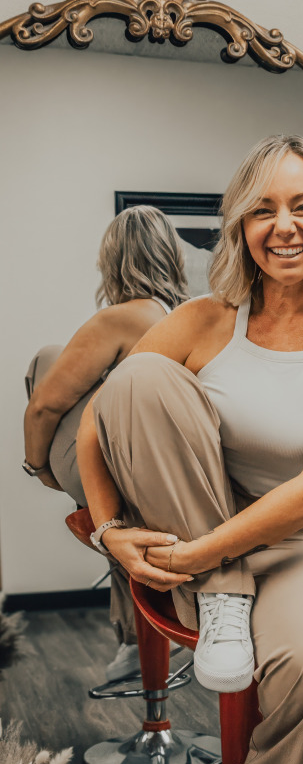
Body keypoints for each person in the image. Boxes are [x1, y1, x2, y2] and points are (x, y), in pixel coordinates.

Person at [76, 134, 303, 764]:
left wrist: (200, 555)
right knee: (135, 379)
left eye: (302, 207)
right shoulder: (203, 317)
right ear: (240, 227)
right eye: (262, 210)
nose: (283, 226)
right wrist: (107, 530)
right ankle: (225, 596)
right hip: (199, 524)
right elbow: (99, 418)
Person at [23, 205, 190, 681]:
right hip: (168, 475)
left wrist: (39, 468)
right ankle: (134, 637)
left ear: (113, 261)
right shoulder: (186, 316)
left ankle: (135, 638)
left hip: (116, 474)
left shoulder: (119, 318)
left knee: (45, 360)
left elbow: (43, 409)